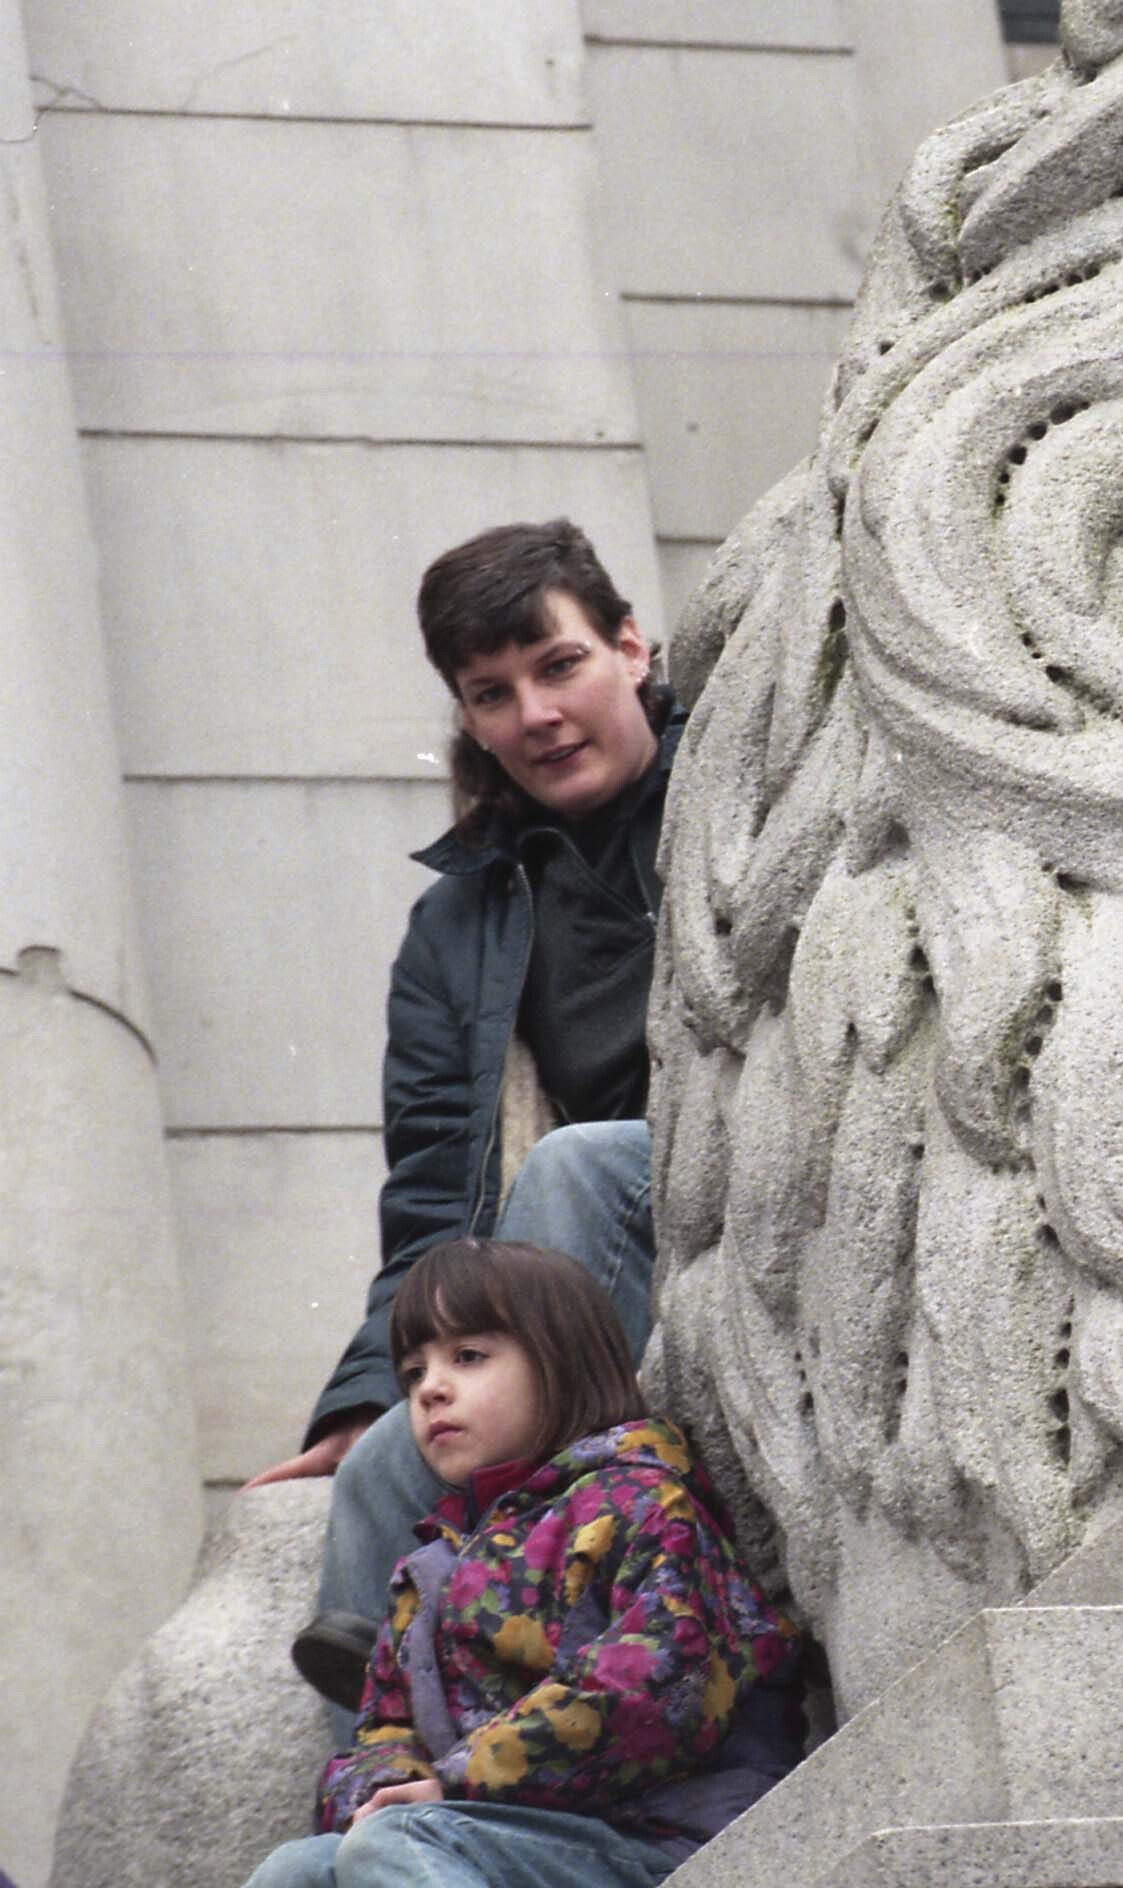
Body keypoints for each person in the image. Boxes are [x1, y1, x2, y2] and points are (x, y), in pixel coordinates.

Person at [246, 521, 675, 1704]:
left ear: (630, 647)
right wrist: (363, 1397)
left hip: (734, 1173)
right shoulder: (459, 923)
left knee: (578, 1167)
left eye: (559, 665)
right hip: (570, 1271)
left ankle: (542, 1544)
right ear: (470, 718)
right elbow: (437, 1185)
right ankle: (380, 1748)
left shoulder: (736, 779)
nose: (536, 714)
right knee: (382, 1468)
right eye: (492, 693)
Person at [241, 1238, 800, 1888]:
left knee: (399, 1841)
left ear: (562, 1361)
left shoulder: (641, 1503)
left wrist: (454, 1782)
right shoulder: (431, 1568)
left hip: (669, 1845)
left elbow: (652, 1696)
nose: (430, 1390)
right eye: (413, 1373)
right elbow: (383, 1730)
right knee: (297, 1869)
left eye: (468, 1357)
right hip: (504, 1839)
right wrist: (385, 1786)